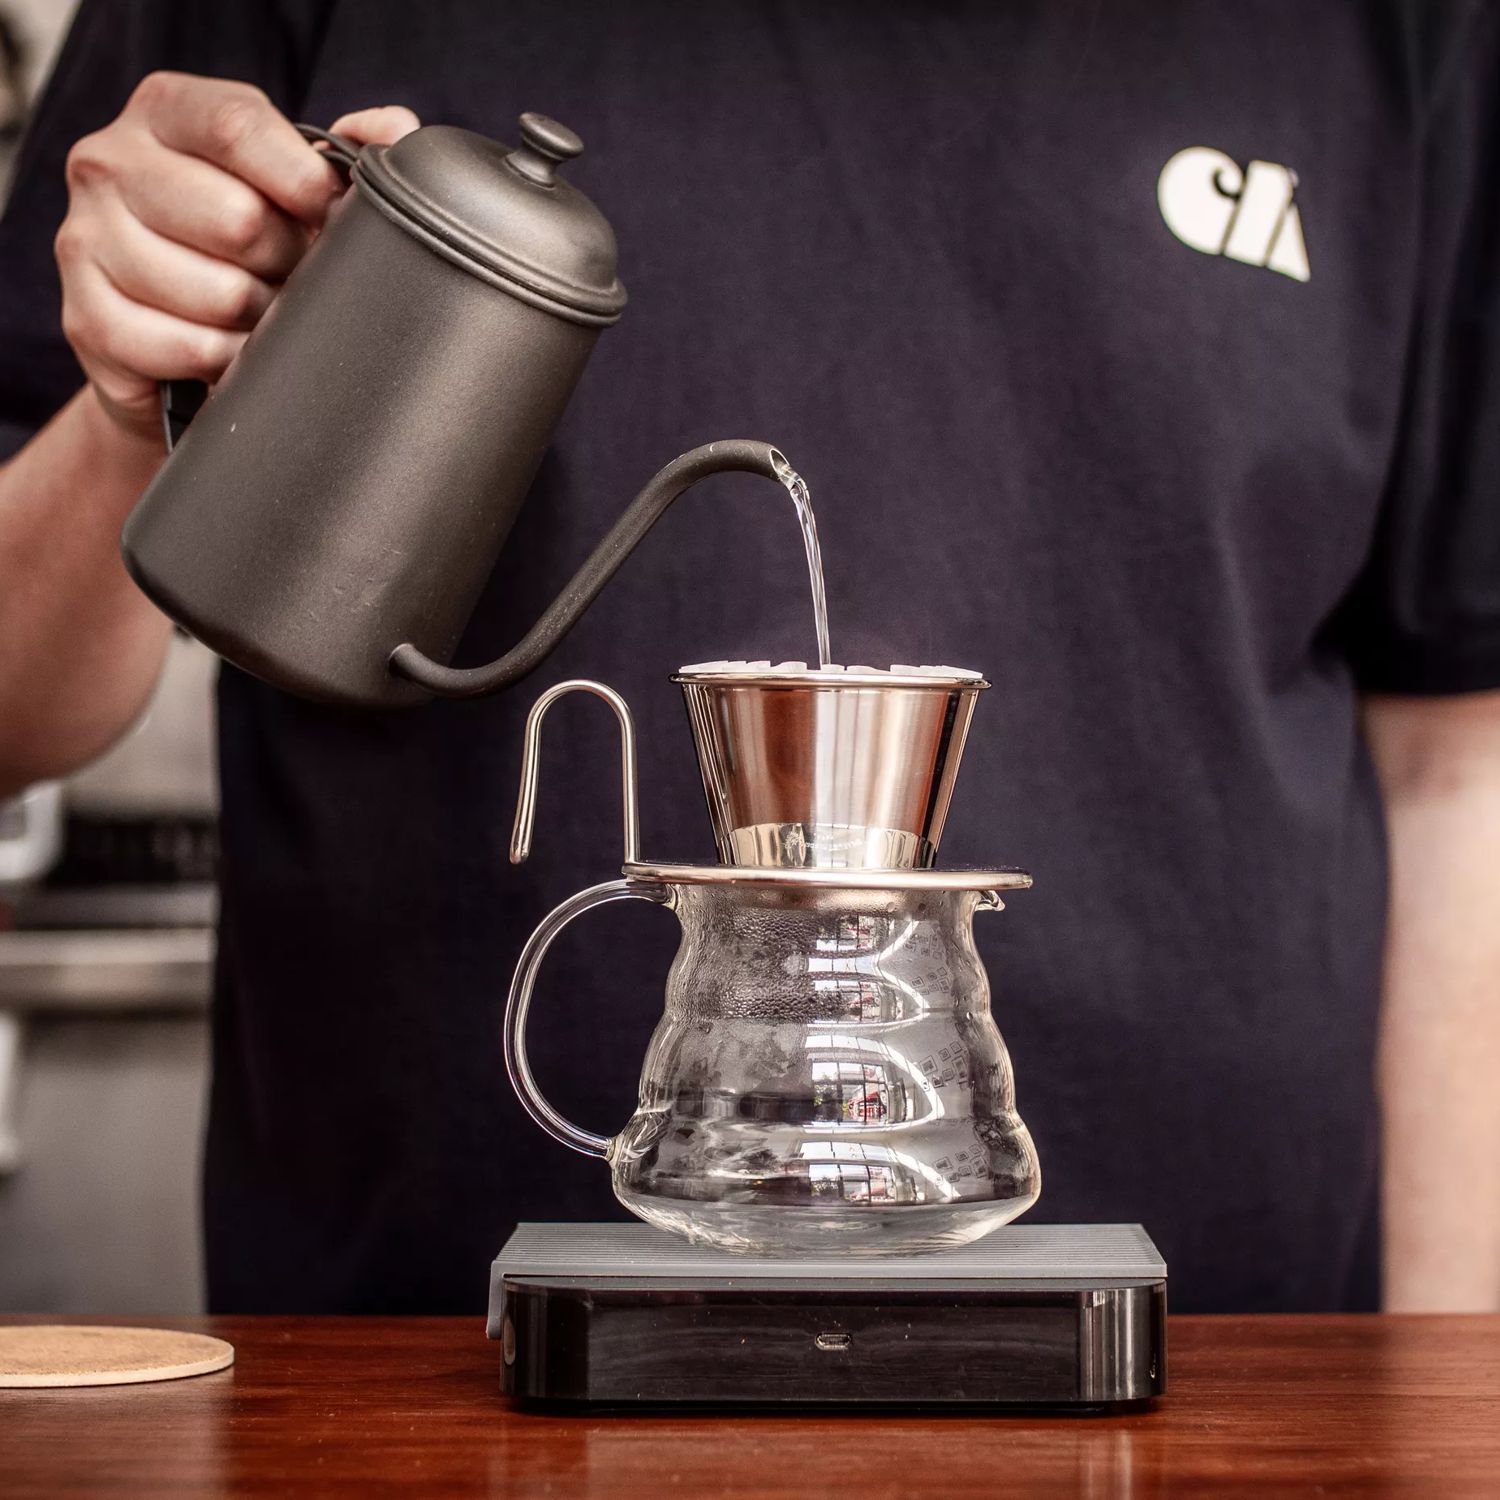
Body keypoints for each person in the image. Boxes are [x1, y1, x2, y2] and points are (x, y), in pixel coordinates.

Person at [1, 0, 1498, 1315]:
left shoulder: (1416, 30)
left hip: (1233, 1374)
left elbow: (1461, 766)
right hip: (420, 1382)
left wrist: (1442, 1409)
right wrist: (142, 397)